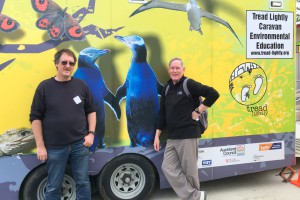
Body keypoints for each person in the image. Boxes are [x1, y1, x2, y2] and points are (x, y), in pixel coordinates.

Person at [29, 49, 96, 200]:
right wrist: (40, 146)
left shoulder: (81, 85)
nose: (68, 66)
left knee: (83, 183)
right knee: (53, 186)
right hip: (54, 147)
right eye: (64, 62)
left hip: (80, 145)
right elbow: (35, 118)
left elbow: (91, 111)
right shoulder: (44, 87)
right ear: (56, 65)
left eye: (71, 63)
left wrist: (91, 134)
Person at [154, 57, 219, 200]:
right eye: (172, 68)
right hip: (172, 136)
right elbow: (162, 113)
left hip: (188, 134)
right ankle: (195, 196)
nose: (175, 70)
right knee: (168, 167)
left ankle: (194, 197)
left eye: (178, 68)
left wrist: (198, 111)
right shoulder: (167, 88)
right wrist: (157, 135)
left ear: (183, 70)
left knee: (190, 172)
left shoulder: (188, 84)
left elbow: (213, 93)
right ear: (169, 70)